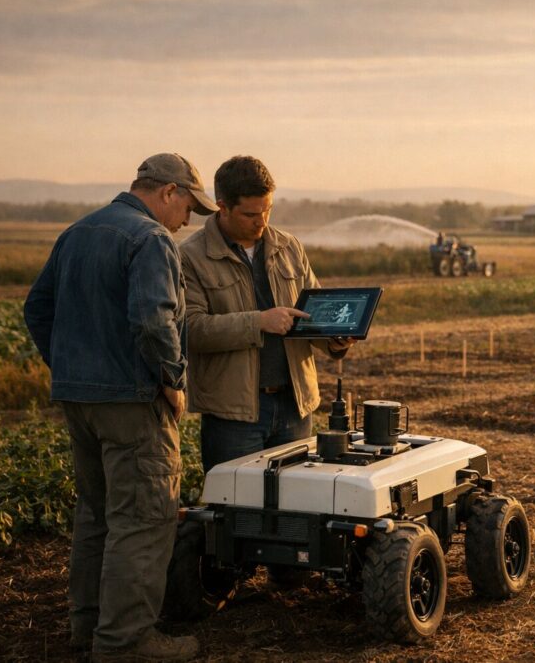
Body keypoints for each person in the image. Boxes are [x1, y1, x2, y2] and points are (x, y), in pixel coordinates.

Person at [24, 153, 218, 661]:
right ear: (168, 192)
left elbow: (37, 307)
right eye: (189, 208)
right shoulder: (150, 239)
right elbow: (153, 319)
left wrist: (67, 368)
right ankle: (126, 641)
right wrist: (172, 380)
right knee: (145, 517)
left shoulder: (78, 231)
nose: (189, 221)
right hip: (133, 402)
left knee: (98, 513)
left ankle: (87, 626)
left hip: (79, 400)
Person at [179, 155, 355, 476]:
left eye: (267, 210)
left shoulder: (289, 247)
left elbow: (311, 312)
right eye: (251, 214)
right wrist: (258, 322)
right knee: (236, 507)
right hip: (233, 416)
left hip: (294, 407)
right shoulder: (191, 256)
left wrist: (335, 340)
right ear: (223, 207)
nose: (261, 221)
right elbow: (190, 329)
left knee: (295, 506)